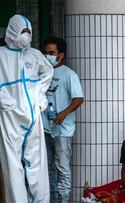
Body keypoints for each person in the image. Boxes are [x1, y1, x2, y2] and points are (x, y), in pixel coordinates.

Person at [0, 15, 53, 202]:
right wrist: (3, 99)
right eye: (23, 31)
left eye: (29, 32)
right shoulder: (1, 55)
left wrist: (40, 95)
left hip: (33, 115)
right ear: (13, 31)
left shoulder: (34, 54)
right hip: (10, 116)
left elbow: (48, 71)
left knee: (37, 163)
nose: (27, 36)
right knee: (13, 164)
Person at [41, 36, 84, 203]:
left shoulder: (69, 74)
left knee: (62, 168)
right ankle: (51, 199)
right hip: (45, 128)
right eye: (45, 53)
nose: (47, 56)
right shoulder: (43, 72)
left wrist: (62, 114)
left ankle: (64, 200)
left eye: (51, 53)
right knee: (48, 168)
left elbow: (79, 99)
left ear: (60, 55)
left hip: (62, 131)